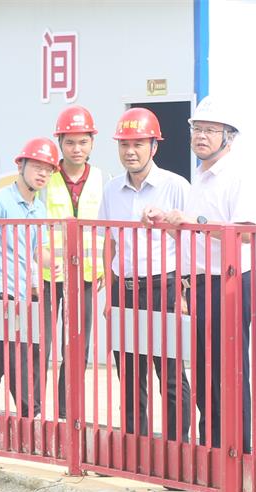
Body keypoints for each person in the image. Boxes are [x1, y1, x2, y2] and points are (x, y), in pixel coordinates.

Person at [146, 95, 256, 453]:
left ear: (229, 138)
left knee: (229, 371)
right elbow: (196, 232)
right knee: (204, 371)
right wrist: (168, 223)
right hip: (199, 283)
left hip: (228, 282)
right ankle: (211, 449)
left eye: (211, 130)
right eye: (197, 129)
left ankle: (237, 452)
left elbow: (243, 232)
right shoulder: (201, 177)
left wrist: (193, 221)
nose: (201, 136)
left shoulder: (237, 177)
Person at [98, 107, 191, 439]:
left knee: (169, 372)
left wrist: (183, 294)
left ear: (154, 146)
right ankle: (135, 445)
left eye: (138, 144)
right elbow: (109, 242)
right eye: (124, 144)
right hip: (124, 289)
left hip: (164, 287)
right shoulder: (111, 190)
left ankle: (176, 446)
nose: (130, 151)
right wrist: (110, 296)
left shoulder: (175, 186)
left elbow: (190, 242)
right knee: (129, 371)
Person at [0, 138, 58, 418]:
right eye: (37, 167)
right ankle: (31, 415)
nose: (42, 174)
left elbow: (38, 251)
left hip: (20, 293)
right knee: (17, 354)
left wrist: (56, 262)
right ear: (21, 165)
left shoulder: (39, 208)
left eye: (48, 170)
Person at [42, 105, 108, 419]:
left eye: (83, 142)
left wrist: (105, 267)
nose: (76, 149)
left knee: (77, 347)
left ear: (92, 142)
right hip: (48, 276)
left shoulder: (103, 179)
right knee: (41, 345)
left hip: (85, 277)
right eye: (70, 142)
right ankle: (34, 410)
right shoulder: (47, 177)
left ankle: (67, 413)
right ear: (60, 143)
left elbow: (108, 228)